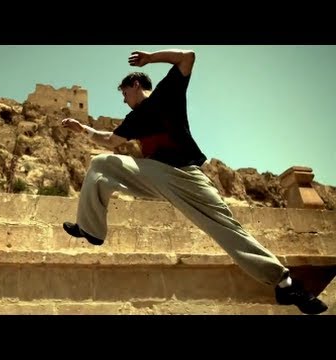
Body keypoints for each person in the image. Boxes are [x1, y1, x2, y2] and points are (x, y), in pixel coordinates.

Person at [60, 48, 328, 315]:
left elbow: (187, 56)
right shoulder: (134, 119)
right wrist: (82, 129)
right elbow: (109, 141)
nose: (123, 100)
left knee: (225, 227)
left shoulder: (167, 92)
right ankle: (91, 229)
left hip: (186, 175)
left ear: (136, 84)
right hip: (155, 174)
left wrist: (150, 58)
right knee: (102, 164)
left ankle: (285, 283)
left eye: (124, 92)